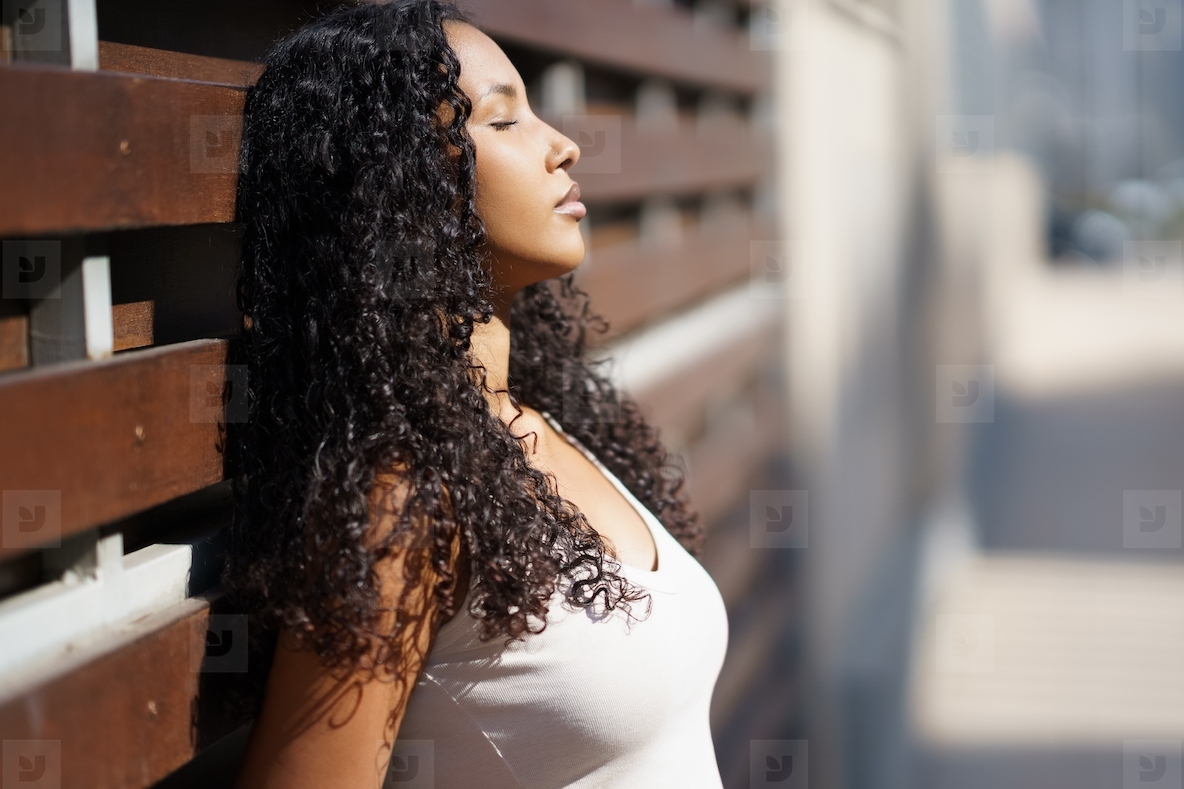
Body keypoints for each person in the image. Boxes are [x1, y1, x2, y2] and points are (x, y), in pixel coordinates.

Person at [221, 1, 729, 786]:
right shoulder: (402, 497)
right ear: (400, 182)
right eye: (502, 122)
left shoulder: (537, 422)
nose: (562, 146)